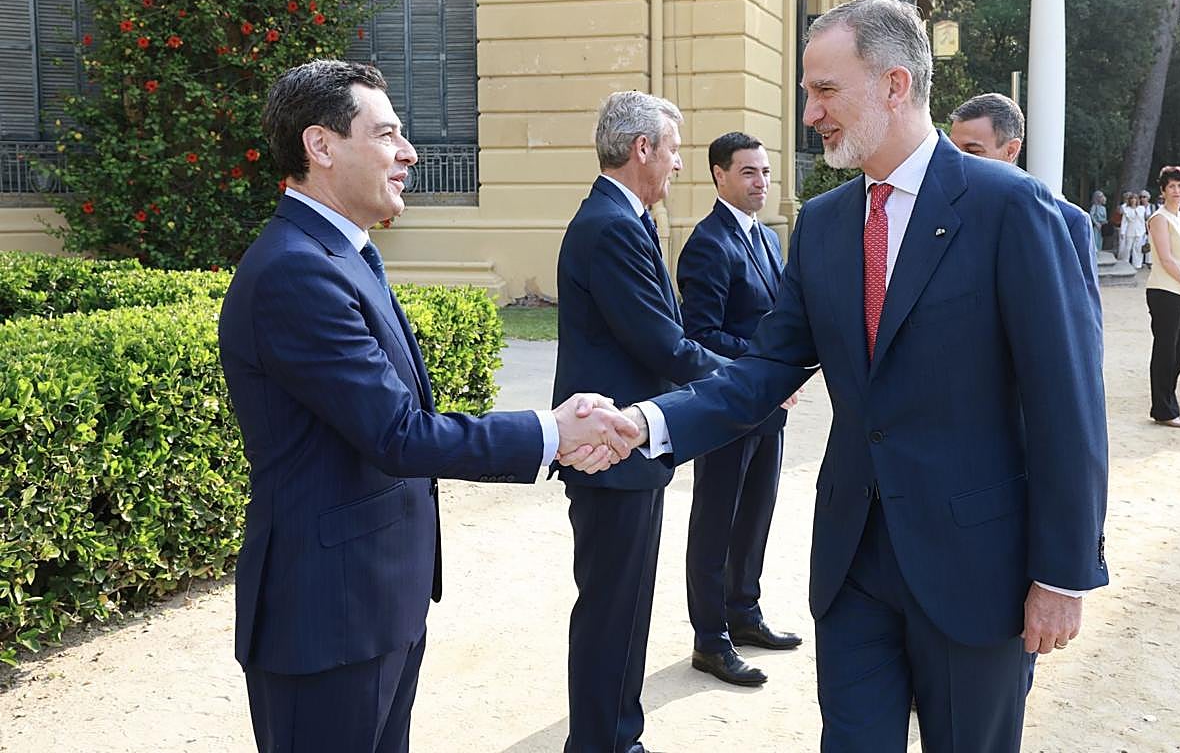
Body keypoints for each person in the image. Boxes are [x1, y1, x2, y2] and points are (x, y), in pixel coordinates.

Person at [623, 0, 1109, 751]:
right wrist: (647, 423)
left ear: (892, 85)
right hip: (853, 566)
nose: (810, 112)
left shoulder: (1014, 209)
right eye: (808, 92)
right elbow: (763, 371)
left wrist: (1064, 573)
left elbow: (1068, 406)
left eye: (824, 90)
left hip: (977, 573)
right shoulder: (822, 224)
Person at [218, 60, 638, 753]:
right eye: (386, 134)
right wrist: (550, 432)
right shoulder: (297, 268)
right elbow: (397, 433)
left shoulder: (343, 253)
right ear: (320, 147)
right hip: (325, 618)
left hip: (375, 601)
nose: (408, 152)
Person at [552, 90, 728, 753]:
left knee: (621, 612)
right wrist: (745, 383)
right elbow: (662, 343)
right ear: (642, 149)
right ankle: (603, 743)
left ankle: (614, 736)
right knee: (611, 614)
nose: (681, 164)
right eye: (675, 149)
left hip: (626, 450)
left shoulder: (623, 217)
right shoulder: (612, 224)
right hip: (611, 451)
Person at [677, 132, 801, 688]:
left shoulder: (768, 239)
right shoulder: (707, 243)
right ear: (719, 175)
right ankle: (710, 639)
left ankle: (744, 615)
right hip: (727, 407)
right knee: (716, 521)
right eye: (749, 172)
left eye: (766, 172)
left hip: (768, 405)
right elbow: (702, 335)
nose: (761, 183)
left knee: (757, 512)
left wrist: (782, 375)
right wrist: (766, 369)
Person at [948, 92, 1102, 324]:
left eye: (972, 152)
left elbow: (1081, 326)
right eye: (952, 151)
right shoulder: (936, 214)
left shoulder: (1067, 221)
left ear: (1011, 150)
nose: (958, 162)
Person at [1144, 164, 1180, 428]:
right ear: (1163, 190)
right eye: (1172, 186)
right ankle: (1164, 410)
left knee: (1178, 353)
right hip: (1164, 290)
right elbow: (1166, 258)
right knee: (1166, 351)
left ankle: (1169, 406)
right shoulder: (1159, 219)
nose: (1176, 190)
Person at [1120, 191, 1148, 270]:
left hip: (1139, 230)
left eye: (1135, 199)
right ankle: (1125, 263)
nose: (1133, 200)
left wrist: (1145, 231)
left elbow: (1142, 220)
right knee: (1128, 247)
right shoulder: (1126, 209)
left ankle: (1137, 264)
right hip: (1130, 230)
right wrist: (1122, 231)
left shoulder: (1141, 209)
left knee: (1137, 248)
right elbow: (1124, 222)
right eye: (1132, 199)